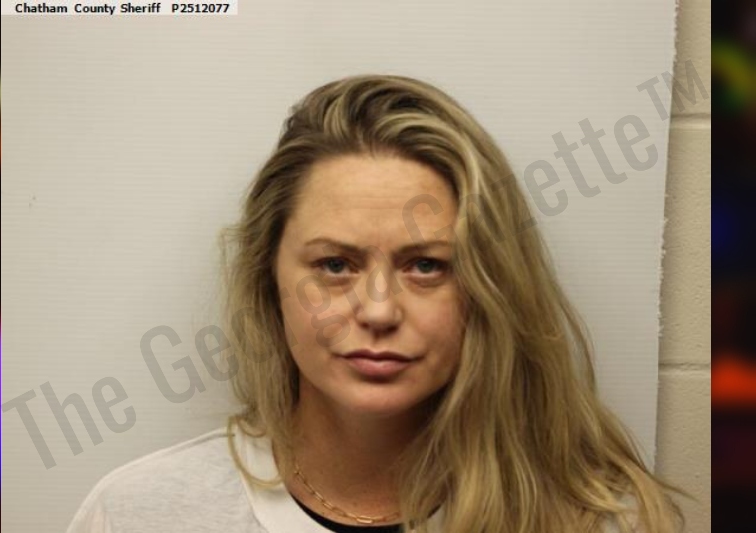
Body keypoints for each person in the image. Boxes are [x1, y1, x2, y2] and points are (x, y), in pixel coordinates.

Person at [66, 74, 691, 533]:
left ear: (489, 285)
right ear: (269, 280)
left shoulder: (601, 520)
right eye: (335, 265)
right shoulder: (139, 514)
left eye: (427, 265)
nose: (379, 311)